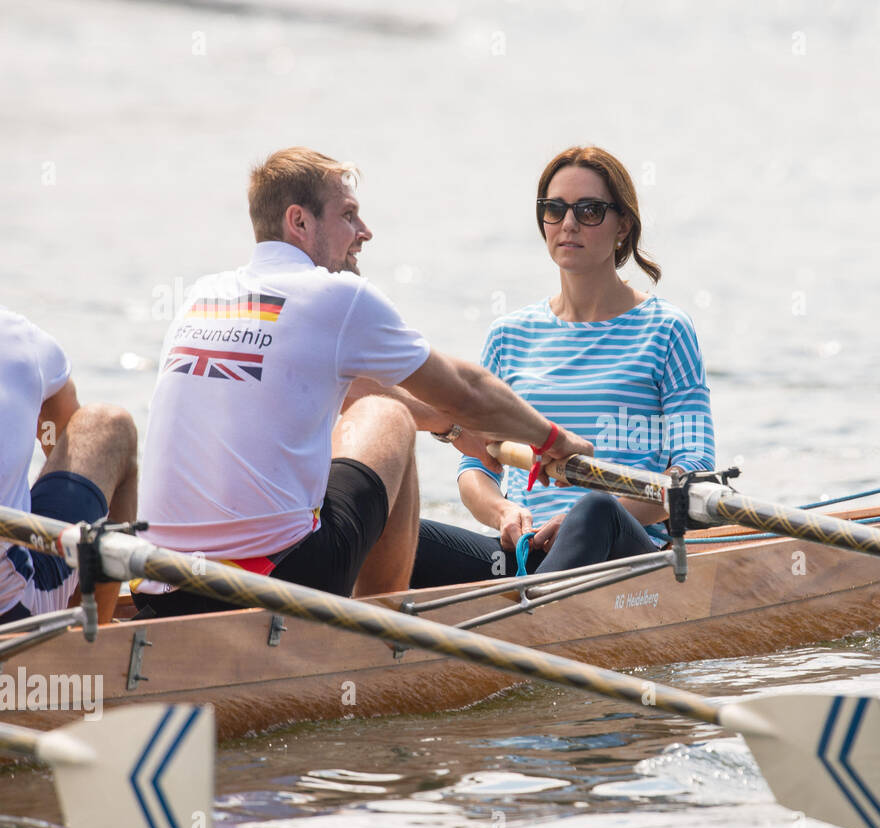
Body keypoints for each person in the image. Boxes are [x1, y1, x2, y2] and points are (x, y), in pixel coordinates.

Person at [131, 147, 591, 619]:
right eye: (349, 215)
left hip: (158, 584)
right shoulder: (335, 296)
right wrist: (551, 438)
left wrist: (449, 427)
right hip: (272, 586)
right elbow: (465, 388)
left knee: (374, 410)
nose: (364, 232)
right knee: (387, 418)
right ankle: (380, 632)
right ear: (300, 221)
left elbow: (352, 386)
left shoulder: (204, 295)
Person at [410, 145, 715, 587]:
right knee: (392, 528)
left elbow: (691, 470)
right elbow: (477, 466)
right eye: (554, 209)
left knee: (595, 510)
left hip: (625, 553)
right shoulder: (508, 336)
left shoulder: (666, 330)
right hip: (524, 553)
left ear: (623, 225)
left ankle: (519, 630)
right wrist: (502, 511)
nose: (568, 223)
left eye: (589, 211)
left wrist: (574, 522)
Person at [0, 307, 139, 626]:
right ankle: (92, 648)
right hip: (12, 612)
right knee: (109, 426)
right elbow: (65, 435)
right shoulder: (18, 338)